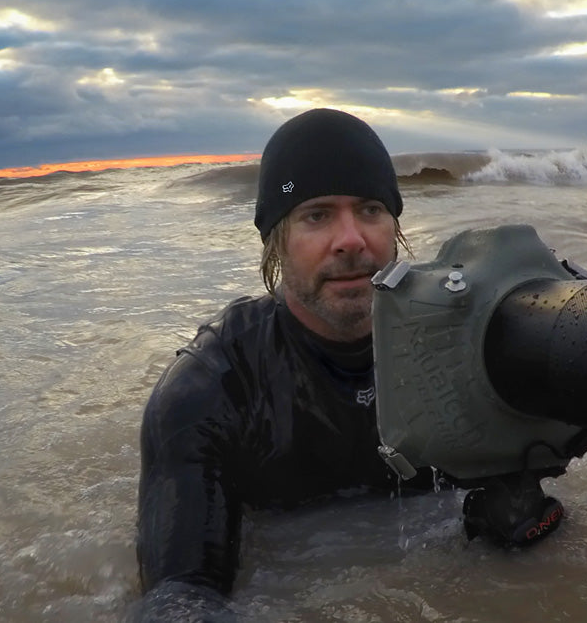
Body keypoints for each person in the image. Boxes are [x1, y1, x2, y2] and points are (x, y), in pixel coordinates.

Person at [134, 108, 434, 619]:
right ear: (277, 241)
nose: (351, 239)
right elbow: (181, 596)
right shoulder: (211, 389)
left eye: (370, 209)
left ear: (395, 225)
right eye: (317, 215)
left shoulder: (453, 341)